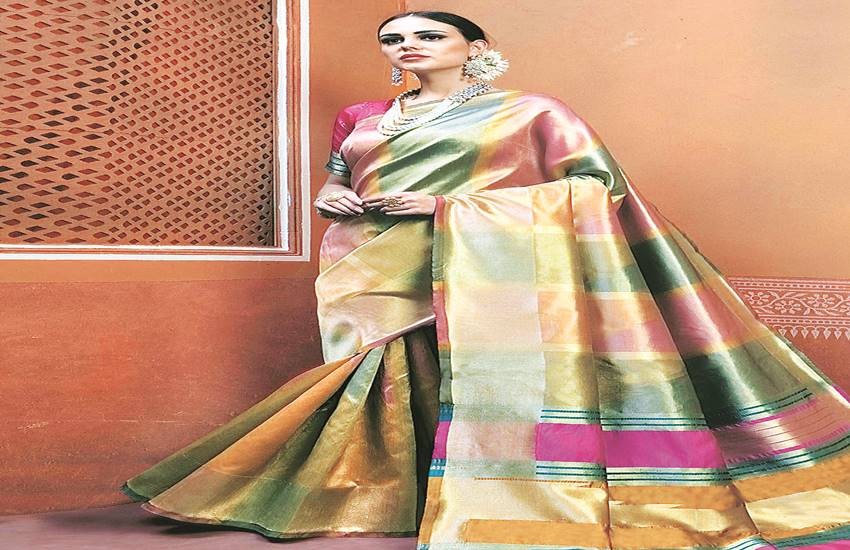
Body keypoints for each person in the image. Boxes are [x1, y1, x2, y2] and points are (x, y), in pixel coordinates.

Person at [122, 10, 850, 549]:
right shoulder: (365, 115)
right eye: (393, 39)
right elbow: (342, 174)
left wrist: (447, 208)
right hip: (375, 255)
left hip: (480, 261)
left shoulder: (532, 112)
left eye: (428, 35)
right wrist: (329, 196)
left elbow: (597, 188)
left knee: (467, 366)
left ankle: (486, 495)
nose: (407, 46)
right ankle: (393, 496)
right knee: (381, 371)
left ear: (475, 48)